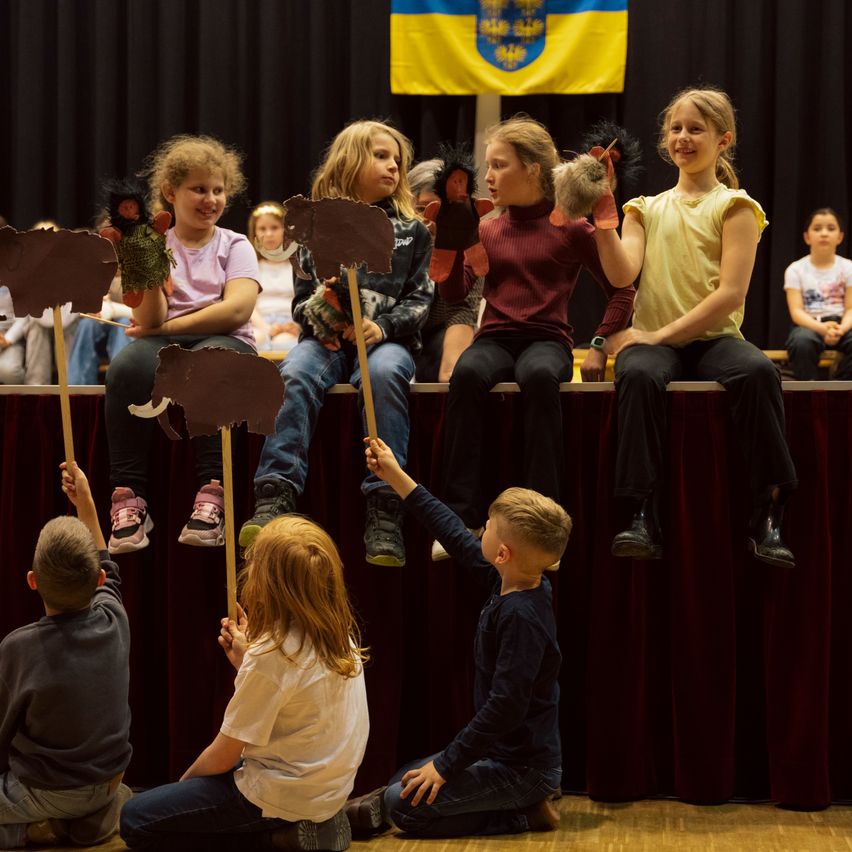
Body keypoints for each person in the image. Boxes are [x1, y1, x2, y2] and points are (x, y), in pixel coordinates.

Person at [588, 86, 798, 567]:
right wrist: (603, 211)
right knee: (638, 373)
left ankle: (768, 511)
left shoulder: (737, 206)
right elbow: (622, 274)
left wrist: (658, 335)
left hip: (714, 339)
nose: (683, 137)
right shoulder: (643, 208)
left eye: (696, 129)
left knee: (758, 372)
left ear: (723, 140)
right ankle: (641, 513)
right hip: (655, 343)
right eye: (676, 128)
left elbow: (730, 295)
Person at [346, 437, 570, 838]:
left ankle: (525, 814)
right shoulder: (509, 580)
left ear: (503, 554)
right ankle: (382, 807)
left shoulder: (522, 617)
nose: (479, 530)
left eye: (487, 527)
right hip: (499, 755)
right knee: (404, 777)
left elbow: (504, 707)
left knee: (403, 805)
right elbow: (451, 531)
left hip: (523, 770)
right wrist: (395, 476)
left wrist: (447, 765)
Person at [435, 116, 634, 559]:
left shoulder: (572, 227)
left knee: (540, 375)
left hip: (547, 339)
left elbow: (623, 289)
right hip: (494, 339)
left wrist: (600, 343)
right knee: (467, 374)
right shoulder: (486, 228)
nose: (488, 176)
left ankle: (542, 526)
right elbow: (454, 295)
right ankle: (461, 518)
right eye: (487, 166)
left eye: (499, 165)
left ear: (533, 169)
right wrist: (447, 245)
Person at [239, 119, 433, 567]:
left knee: (384, 374)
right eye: (381, 156)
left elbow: (422, 298)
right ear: (348, 162)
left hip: (385, 341)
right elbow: (300, 302)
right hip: (325, 343)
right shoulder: (312, 228)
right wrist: (324, 314)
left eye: (398, 160)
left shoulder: (413, 231)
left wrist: (382, 327)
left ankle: (385, 505)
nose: (393, 167)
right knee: (293, 372)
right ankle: (274, 491)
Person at [120, 515, 369, 852]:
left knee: (135, 818)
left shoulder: (271, 655)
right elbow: (290, 705)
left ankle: (272, 838)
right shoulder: (341, 637)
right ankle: (309, 823)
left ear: (268, 584)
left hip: (281, 795)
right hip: (328, 791)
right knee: (163, 801)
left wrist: (181, 788)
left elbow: (224, 755)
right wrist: (247, 662)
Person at [104, 134, 260, 554]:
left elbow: (237, 311)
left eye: (218, 190)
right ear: (170, 193)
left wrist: (165, 331)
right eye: (199, 189)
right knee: (126, 368)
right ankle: (129, 499)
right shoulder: (155, 242)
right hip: (166, 341)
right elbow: (150, 319)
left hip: (225, 342)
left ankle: (212, 494)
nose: (211, 199)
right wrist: (144, 261)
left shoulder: (236, 244)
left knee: (213, 360)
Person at [0, 462, 132, 849]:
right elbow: (107, 563)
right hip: (110, 780)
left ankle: (34, 829)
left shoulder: (18, 648)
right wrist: (85, 500)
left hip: (49, 789)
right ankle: (92, 817)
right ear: (99, 581)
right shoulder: (114, 618)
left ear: (32, 581)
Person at [408, 158, 484, 383]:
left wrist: (451, 372)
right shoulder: (394, 240)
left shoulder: (469, 244)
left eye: (440, 211)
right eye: (421, 209)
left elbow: (463, 310)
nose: (430, 220)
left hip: (440, 332)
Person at [783, 207, 852, 380]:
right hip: (810, 324)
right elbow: (796, 311)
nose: (824, 233)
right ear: (807, 237)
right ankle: (809, 390)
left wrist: (841, 329)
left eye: (831, 228)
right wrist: (821, 328)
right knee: (801, 342)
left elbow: (850, 308)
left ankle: (837, 389)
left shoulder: (849, 268)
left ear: (840, 237)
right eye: (817, 228)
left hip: (842, 324)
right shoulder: (795, 269)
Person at [247, 201, 301, 354]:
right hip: (260, 323)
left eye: (275, 227)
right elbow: (249, 305)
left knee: (284, 342)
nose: (269, 234)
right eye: (262, 229)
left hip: (290, 324)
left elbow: (304, 300)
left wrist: (297, 325)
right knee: (255, 339)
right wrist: (266, 327)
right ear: (254, 233)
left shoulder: (297, 267)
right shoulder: (251, 267)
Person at [67, 273, 133, 384]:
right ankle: (79, 388)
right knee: (86, 324)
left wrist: (110, 308)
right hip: (101, 319)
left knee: (123, 324)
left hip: (128, 318)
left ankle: (120, 384)